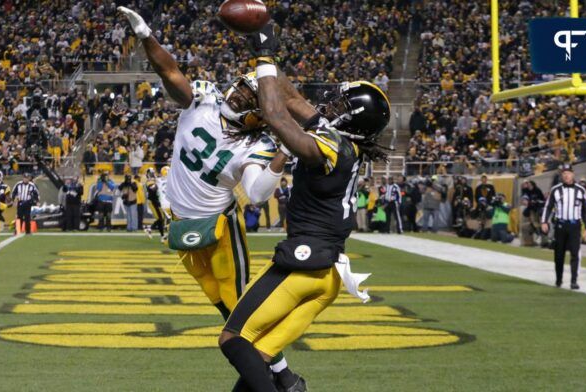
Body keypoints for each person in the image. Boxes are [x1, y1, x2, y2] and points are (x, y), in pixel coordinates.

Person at [118, 7, 305, 389]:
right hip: (181, 224)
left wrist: (287, 150)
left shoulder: (258, 144)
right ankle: (279, 374)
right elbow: (170, 73)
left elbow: (255, 193)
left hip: (220, 228)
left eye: (249, 95)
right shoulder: (202, 99)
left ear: (261, 112)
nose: (238, 94)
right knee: (220, 302)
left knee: (241, 312)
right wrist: (147, 36)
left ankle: (283, 378)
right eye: (240, 86)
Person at [219, 24, 390, 392]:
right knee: (261, 356)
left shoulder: (330, 147)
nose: (332, 103)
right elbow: (293, 98)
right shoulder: (346, 145)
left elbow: (278, 116)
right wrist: (263, 52)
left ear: (353, 116)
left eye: (343, 104)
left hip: (303, 263)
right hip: (327, 274)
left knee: (233, 338)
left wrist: (264, 58)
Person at [541, 164, 586, 289]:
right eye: (564, 173)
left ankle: (574, 280)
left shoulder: (581, 190)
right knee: (559, 254)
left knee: (575, 253)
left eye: (568, 173)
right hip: (560, 225)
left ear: (573, 174)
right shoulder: (556, 189)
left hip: (575, 226)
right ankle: (559, 279)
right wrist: (544, 221)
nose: (566, 175)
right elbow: (548, 206)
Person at [144, 168, 167, 243]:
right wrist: (157, 185)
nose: (154, 174)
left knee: (161, 219)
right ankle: (149, 228)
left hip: (156, 201)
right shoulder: (149, 181)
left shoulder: (154, 180)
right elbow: (152, 189)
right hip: (153, 201)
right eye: (152, 173)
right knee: (161, 218)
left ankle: (161, 236)